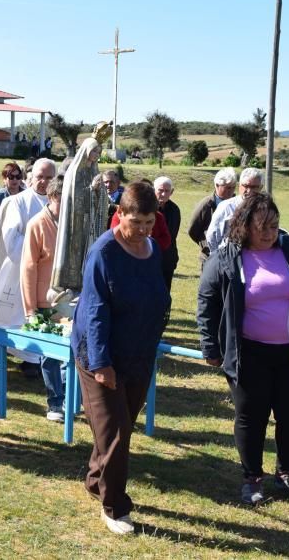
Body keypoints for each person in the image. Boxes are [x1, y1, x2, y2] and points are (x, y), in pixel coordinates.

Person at [197, 194, 289, 505]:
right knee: (252, 416)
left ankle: (287, 471)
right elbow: (207, 302)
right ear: (244, 226)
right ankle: (252, 478)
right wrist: (210, 345)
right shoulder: (226, 257)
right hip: (248, 354)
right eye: (261, 226)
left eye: (274, 225)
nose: (269, 232)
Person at [70, 181, 171, 535]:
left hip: (139, 354)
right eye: (136, 221)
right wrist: (101, 364)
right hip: (102, 355)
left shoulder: (152, 249)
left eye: (149, 221)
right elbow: (96, 311)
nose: (142, 229)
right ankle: (114, 506)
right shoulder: (104, 253)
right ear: (120, 214)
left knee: (122, 422)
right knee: (116, 431)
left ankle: (96, 479)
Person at [0, 158, 56, 373]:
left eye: (48, 177)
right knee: (10, 316)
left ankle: (33, 359)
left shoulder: (59, 204)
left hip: (48, 273)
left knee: (40, 314)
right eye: (39, 177)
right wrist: (32, 261)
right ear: (31, 177)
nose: (43, 182)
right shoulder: (19, 202)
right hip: (18, 270)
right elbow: (11, 237)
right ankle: (5, 352)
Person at [20, 176, 65, 421]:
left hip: (70, 299)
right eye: (62, 200)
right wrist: (30, 308)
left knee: (72, 351)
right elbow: (28, 267)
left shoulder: (72, 222)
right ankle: (55, 403)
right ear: (52, 197)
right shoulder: (37, 224)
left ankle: (70, 398)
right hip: (43, 300)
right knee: (50, 354)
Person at [206, 168, 262, 253]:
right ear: (239, 186)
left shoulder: (265, 209)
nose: (249, 191)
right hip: (229, 260)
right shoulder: (226, 207)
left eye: (254, 187)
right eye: (245, 186)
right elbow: (212, 237)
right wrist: (219, 259)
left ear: (260, 187)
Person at [188, 168, 236, 264]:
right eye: (227, 188)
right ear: (217, 185)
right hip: (209, 258)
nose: (230, 191)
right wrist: (205, 245)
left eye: (233, 187)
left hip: (232, 257)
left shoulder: (237, 203)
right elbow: (193, 230)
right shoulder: (206, 205)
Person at [153, 176, 181, 291]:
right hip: (147, 256)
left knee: (164, 292)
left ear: (172, 192)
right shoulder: (147, 208)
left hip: (167, 258)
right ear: (154, 190)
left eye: (167, 191)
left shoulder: (174, 210)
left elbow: (170, 235)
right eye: (160, 190)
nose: (163, 194)